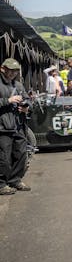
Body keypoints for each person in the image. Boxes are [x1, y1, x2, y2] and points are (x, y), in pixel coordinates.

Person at [0, 58, 31, 194]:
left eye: (15, 71)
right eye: (11, 70)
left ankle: (15, 180)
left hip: (18, 125)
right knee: (4, 158)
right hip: (2, 126)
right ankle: (1, 184)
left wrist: (26, 107)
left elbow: (27, 99)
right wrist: (8, 100)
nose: (13, 73)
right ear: (3, 69)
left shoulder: (18, 85)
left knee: (21, 154)